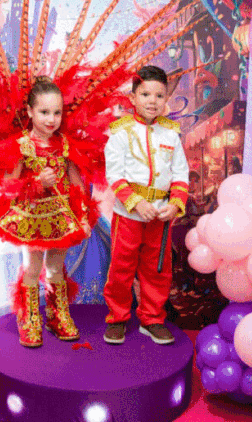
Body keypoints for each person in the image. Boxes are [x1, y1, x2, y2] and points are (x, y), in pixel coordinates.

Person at [0, 76, 99, 348]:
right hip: (31, 217)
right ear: (30, 112)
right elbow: (8, 186)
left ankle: (57, 315)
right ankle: (29, 319)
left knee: (55, 267)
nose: (51, 119)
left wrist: (83, 216)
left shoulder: (65, 145)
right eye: (44, 112)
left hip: (61, 217)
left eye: (57, 112)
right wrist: (35, 183)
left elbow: (77, 185)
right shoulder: (22, 145)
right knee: (32, 267)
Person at [103, 65, 190, 345]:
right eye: (145, 94)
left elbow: (181, 174)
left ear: (166, 99)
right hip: (128, 215)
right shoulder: (120, 131)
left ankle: (152, 319)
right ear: (133, 97)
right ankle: (117, 317)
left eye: (159, 95)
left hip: (160, 217)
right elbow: (114, 175)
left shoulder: (171, 134)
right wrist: (135, 202)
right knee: (121, 268)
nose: (152, 101)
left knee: (157, 270)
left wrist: (175, 204)